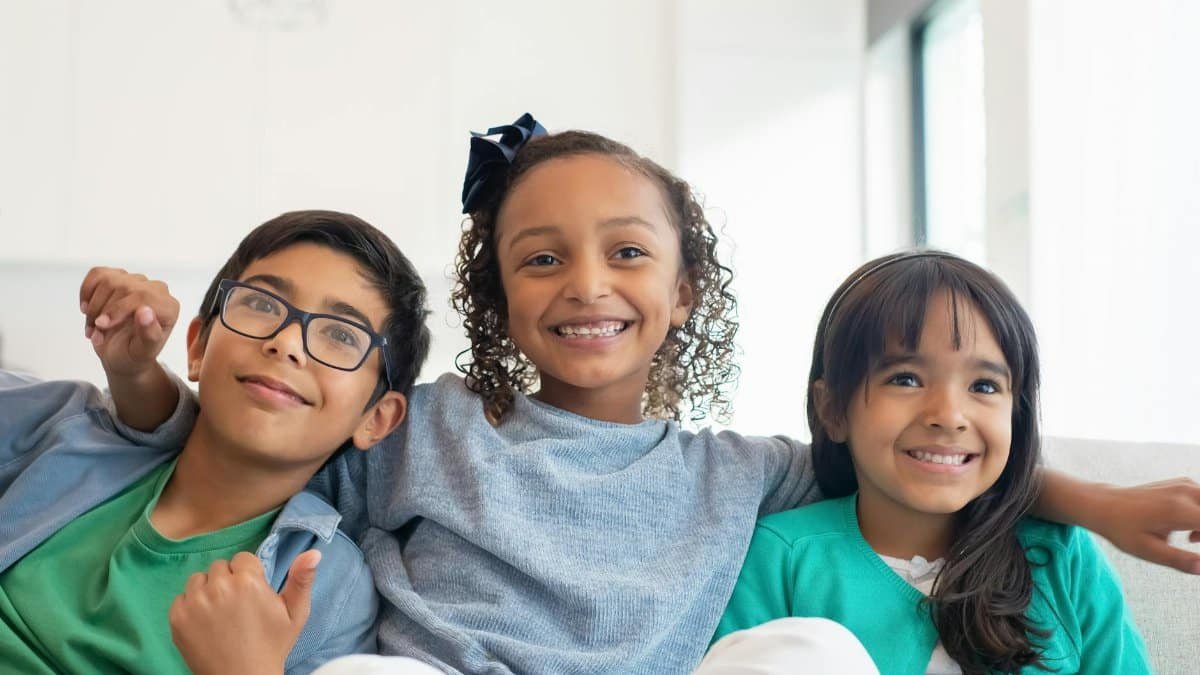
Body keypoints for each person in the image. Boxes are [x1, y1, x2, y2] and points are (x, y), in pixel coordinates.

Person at [94, 116, 1199, 675]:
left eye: (626, 254)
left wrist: (1098, 506)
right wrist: (143, 369)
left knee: (809, 653)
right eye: (540, 260)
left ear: (683, 289)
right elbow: (248, 437)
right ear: (499, 296)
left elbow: (914, 452)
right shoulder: (424, 422)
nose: (586, 286)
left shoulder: (741, 472)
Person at [0, 210, 429, 673]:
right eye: (263, 305)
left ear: (377, 419)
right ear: (198, 348)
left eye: (343, 335)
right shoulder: (71, 427)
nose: (287, 343)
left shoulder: (329, 589)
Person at [713, 251, 1150, 673]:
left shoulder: (1058, 556)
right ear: (832, 410)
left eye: (983, 386)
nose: (948, 416)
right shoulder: (781, 557)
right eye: (905, 379)